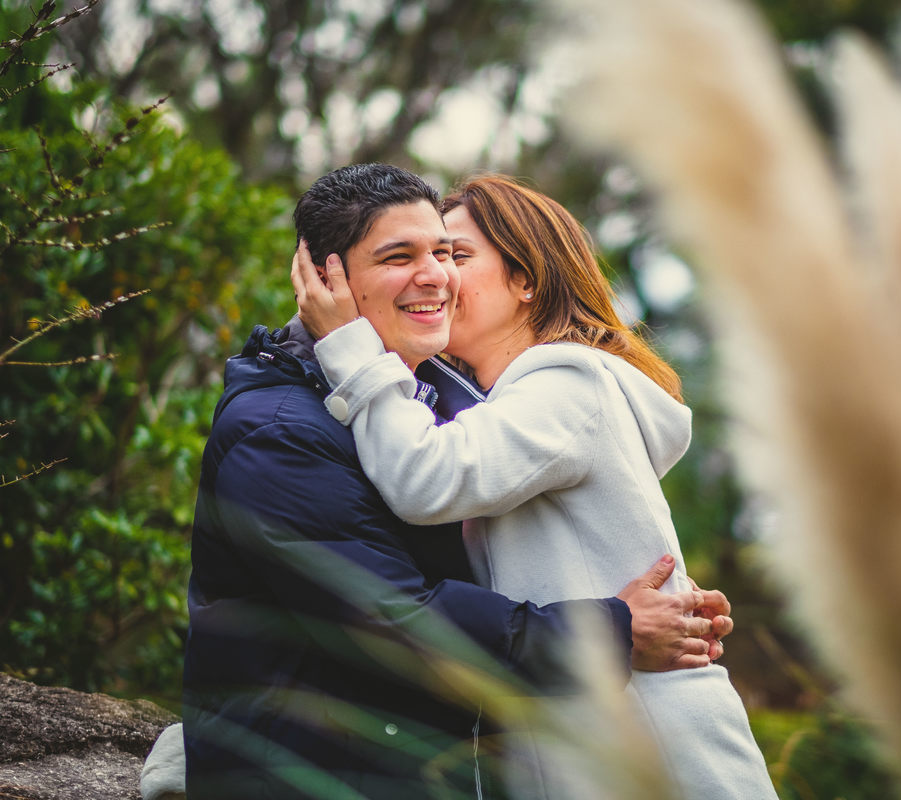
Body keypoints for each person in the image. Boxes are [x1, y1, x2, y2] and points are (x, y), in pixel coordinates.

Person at [175, 164, 734, 800]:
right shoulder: (283, 430)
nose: (440, 275)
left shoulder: (470, 406)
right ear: (326, 279)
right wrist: (613, 628)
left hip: (640, 748)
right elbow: (393, 623)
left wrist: (645, 612)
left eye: (448, 252)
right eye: (399, 255)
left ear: (527, 280)